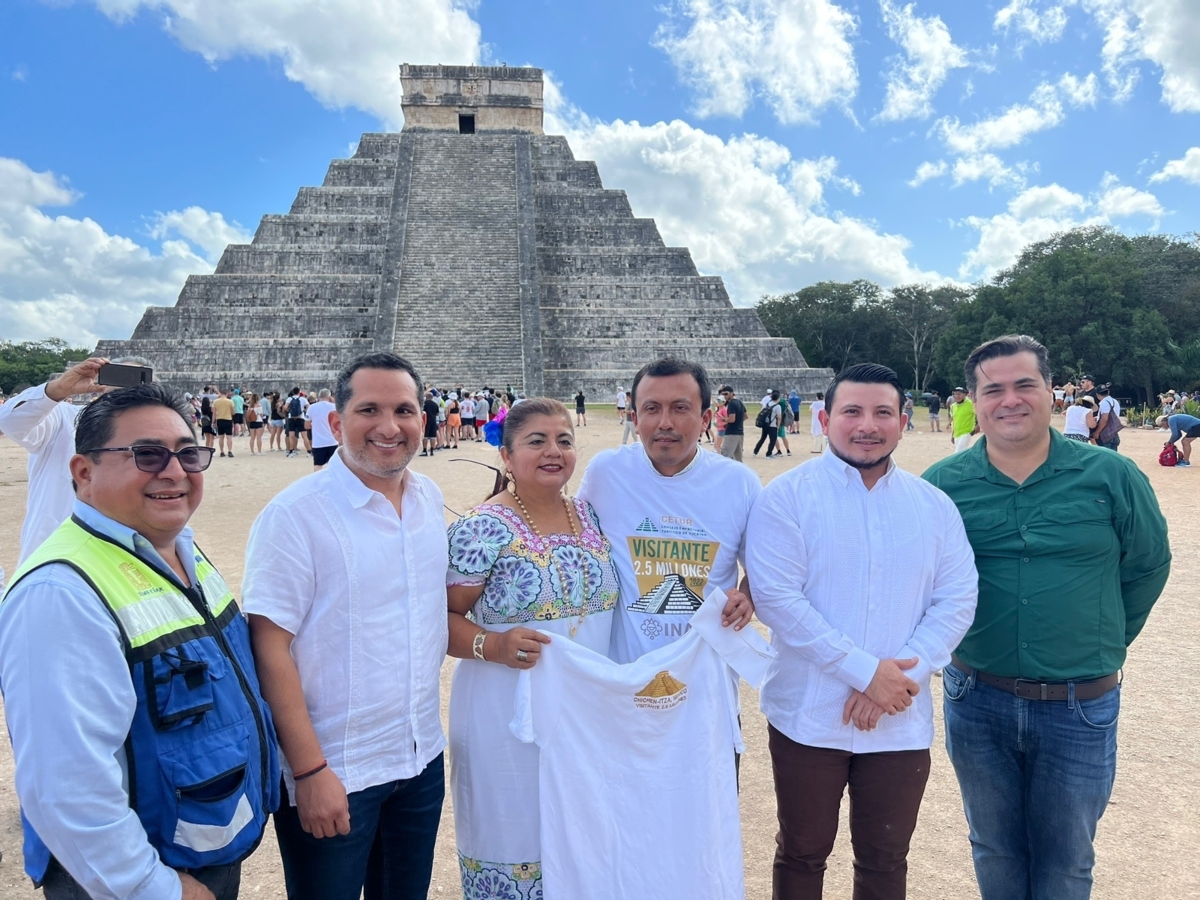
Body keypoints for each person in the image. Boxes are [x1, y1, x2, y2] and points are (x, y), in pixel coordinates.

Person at [0, 383, 280, 900]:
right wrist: (155, 888)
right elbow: (67, 786)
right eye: (147, 455)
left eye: (188, 453)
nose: (174, 472)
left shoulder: (181, 552)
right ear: (83, 474)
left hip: (197, 841)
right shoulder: (59, 593)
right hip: (139, 876)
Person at [923, 334, 1171, 900]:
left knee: (1066, 860)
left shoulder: (1111, 476)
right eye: (994, 390)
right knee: (994, 847)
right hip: (976, 698)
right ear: (975, 401)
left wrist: (1099, 638)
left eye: (1024, 385)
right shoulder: (942, 486)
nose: (1010, 400)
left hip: (1079, 704)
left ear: (1050, 393)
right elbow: (915, 579)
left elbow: (1149, 565)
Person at [747, 363, 978, 900]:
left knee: (885, 859)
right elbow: (781, 600)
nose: (866, 425)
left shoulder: (933, 506)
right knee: (802, 854)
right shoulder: (786, 497)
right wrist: (865, 672)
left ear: (903, 421)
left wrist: (899, 677)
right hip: (808, 714)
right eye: (852, 411)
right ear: (825, 419)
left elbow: (957, 599)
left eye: (882, 413)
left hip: (899, 716)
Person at [244, 352, 448, 900]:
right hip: (336, 767)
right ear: (335, 423)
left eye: (405, 409)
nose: (389, 426)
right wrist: (308, 773)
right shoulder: (295, 515)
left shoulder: (429, 499)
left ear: (422, 421)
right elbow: (270, 645)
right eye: (369, 410)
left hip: (419, 753)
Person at [444, 398, 619, 899]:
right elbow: (440, 618)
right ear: (507, 453)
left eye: (564, 440)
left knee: (581, 839)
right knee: (513, 837)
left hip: (584, 715)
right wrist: (493, 644)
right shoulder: (481, 528)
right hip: (502, 716)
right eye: (536, 441)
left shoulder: (591, 516)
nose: (553, 451)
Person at [578, 358, 757, 664]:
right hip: (623, 678)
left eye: (680, 407)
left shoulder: (739, 483)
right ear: (634, 417)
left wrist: (747, 597)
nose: (665, 422)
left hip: (706, 679)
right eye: (652, 408)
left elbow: (763, 567)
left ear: (705, 419)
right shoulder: (606, 472)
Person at [0, 355, 148, 564]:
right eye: (118, 377)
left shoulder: (154, 438)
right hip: (53, 557)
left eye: (135, 380)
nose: (124, 387)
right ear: (103, 383)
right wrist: (59, 389)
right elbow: (9, 421)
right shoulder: (61, 420)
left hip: (122, 561)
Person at [307, 389, 338, 469]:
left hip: (318, 442)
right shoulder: (334, 407)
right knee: (333, 464)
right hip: (332, 441)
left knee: (318, 464)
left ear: (318, 396)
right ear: (330, 396)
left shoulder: (311, 407)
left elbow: (306, 426)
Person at [718, 384, 747, 462]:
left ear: (731, 393)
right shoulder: (739, 402)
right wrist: (738, 422)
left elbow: (732, 419)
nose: (724, 396)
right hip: (740, 432)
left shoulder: (731, 404)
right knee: (738, 458)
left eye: (726, 394)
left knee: (725, 455)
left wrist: (724, 419)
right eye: (722, 394)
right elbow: (745, 416)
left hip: (732, 433)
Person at [1092, 383, 1122, 451]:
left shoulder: (1104, 402)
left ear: (1097, 395)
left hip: (1105, 435)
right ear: (1108, 392)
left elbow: (1105, 419)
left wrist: (1097, 432)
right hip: (1114, 433)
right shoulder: (1115, 401)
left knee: (1105, 457)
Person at [754, 390, 782, 458]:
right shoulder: (777, 406)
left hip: (765, 424)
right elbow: (779, 417)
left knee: (762, 438)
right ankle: (769, 453)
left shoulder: (768, 404)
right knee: (773, 440)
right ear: (778, 398)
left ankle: (755, 451)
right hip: (772, 425)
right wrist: (778, 426)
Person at [949, 386, 976, 453]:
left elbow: (980, 414)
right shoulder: (953, 406)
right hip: (957, 434)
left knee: (958, 453)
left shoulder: (970, 404)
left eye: (959, 394)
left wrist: (977, 426)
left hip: (966, 432)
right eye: (955, 394)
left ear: (965, 395)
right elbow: (955, 421)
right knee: (961, 453)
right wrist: (953, 435)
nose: (957, 396)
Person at [284, 388, 307, 458]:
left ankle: (291, 451)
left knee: (291, 436)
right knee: (305, 436)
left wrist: (290, 411)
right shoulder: (303, 399)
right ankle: (309, 451)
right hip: (301, 418)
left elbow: (285, 408)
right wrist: (303, 411)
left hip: (291, 418)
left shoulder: (289, 399)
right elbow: (308, 407)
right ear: (299, 392)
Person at [212, 389, 235, 458]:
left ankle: (222, 452)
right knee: (229, 437)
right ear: (227, 394)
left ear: (220, 394)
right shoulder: (230, 401)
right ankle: (229, 451)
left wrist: (213, 421)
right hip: (228, 419)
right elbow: (233, 412)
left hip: (219, 420)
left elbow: (214, 413)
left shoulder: (215, 402)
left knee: (221, 437)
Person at [421, 390, 440, 456]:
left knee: (425, 436)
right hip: (433, 420)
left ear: (426, 397)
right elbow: (437, 413)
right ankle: (432, 450)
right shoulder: (435, 404)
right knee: (433, 436)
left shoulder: (424, 404)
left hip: (426, 420)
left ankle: (424, 450)